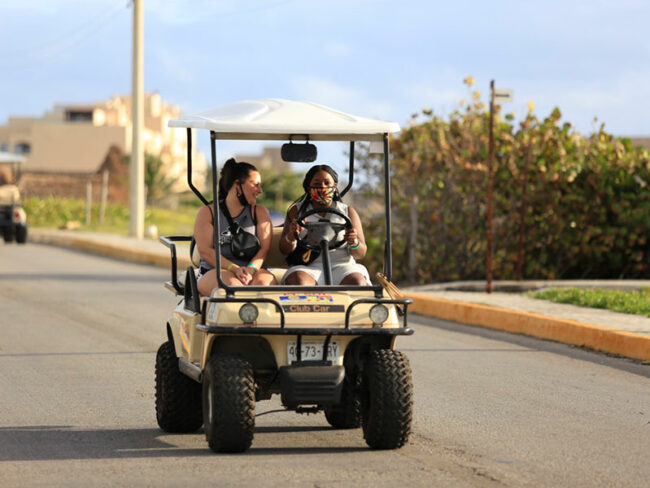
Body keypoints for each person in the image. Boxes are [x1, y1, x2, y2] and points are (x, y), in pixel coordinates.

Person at [194, 158, 277, 296]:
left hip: (253, 270)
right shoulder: (208, 212)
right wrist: (234, 268)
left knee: (264, 286)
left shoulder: (259, 212)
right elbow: (205, 251)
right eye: (255, 185)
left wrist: (250, 270)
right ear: (237, 185)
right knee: (233, 288)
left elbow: (264, 249)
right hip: (216, 270)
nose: (260, 191)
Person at [279, 164, 370, 285]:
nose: (322, 187)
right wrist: (291, 236)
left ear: (335, 186)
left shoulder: (347, 211)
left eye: (327, 183)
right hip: (308, 268)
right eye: (317, 184)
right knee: (298, 281)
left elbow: (361, 253)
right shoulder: (297, 211)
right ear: (308, 187)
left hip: (342, 267)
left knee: (357, 282)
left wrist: (353, 242)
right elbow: (284, 249)